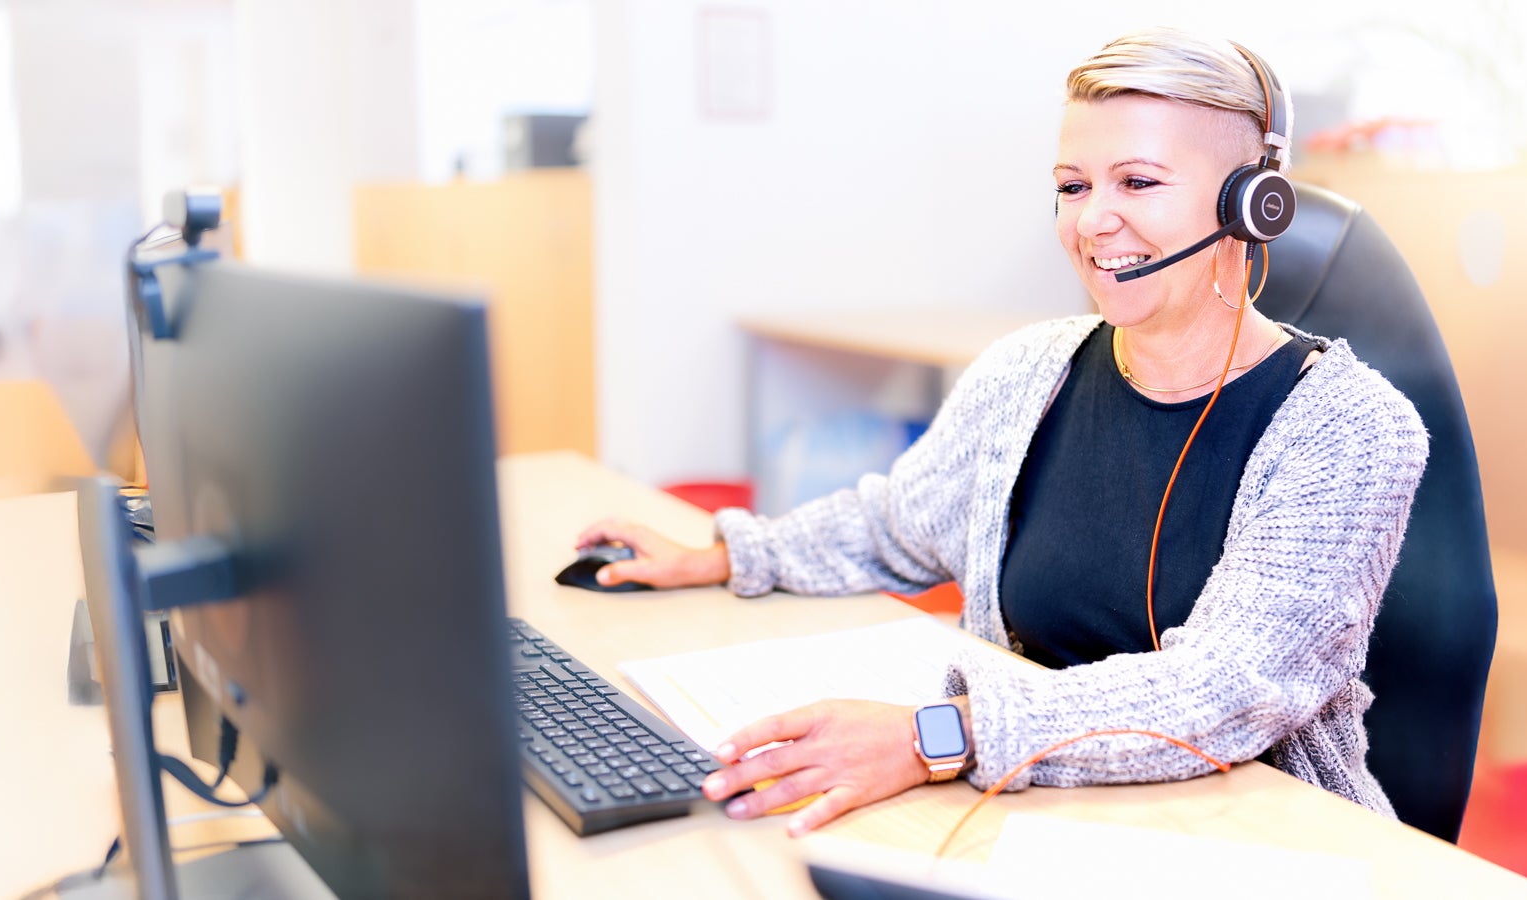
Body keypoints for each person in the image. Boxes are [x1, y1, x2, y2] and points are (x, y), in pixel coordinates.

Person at [576, 27, 1426, 838]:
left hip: (1255, 838)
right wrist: (726, 554)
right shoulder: (1028, 373)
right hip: (1028, 818)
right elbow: (894, 526)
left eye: (1137, 183)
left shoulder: (1351, 429)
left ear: (1252, 203)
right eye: (1072, 185)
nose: (1093, 222)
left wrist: (937, 737)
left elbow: (1224, 690)